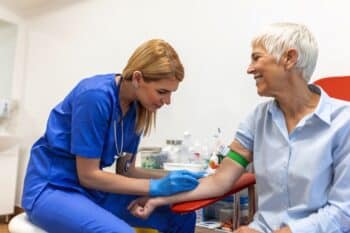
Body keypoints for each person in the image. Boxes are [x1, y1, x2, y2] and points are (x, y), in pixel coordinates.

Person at [128, 23, 350, 233]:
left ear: (289, 58)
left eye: (257, 57)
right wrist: (160, 199)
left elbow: (343, 212)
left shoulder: (344, 122)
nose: (249, 68)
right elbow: (219, 179)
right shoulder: (258, 119)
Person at [21, 39, 204, 233]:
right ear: (137, 78)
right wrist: (156, 186)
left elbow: (126, 170)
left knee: (180, 213)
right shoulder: (95, 96)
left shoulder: (137, 109)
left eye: (171, 93)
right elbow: (88, 175)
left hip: (91, 191)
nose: (167, 101)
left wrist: (174, 178)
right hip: (52, 188)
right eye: (162, 92)